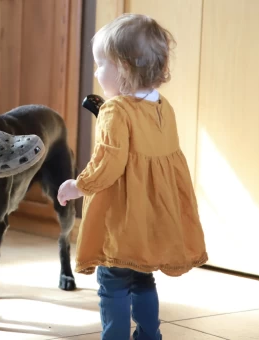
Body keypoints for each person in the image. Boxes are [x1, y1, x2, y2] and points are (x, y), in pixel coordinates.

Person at [57, 14, 208, 340]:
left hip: (122, 220)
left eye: (100, 64)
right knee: (142, 278)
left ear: (123, 68)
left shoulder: (115, 110)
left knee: (112, 282)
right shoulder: (162, 107)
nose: (96, 73)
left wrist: (77, 186)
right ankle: (149, 335)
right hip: (151, 217)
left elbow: (108, 164)